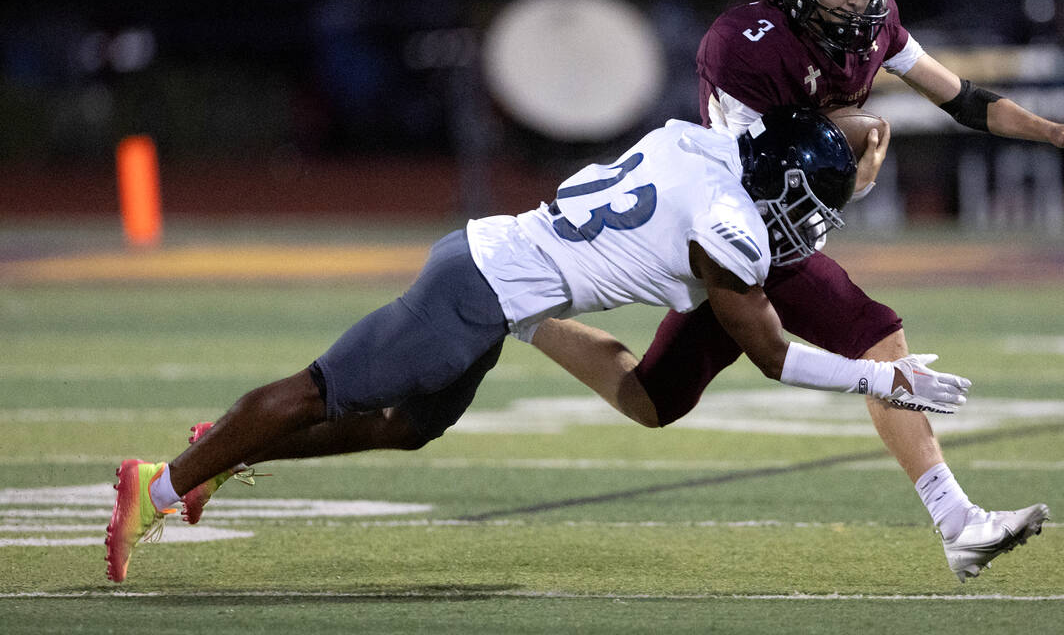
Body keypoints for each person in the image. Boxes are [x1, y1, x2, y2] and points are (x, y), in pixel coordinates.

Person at [104, 107, 973, 584]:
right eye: (808, 205)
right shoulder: (728, 230)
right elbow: (776, 353)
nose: (811, 229)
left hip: (497, 270)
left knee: (410, 425)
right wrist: (882, 379)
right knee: (319, 389)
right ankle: (163, 485)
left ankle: (214, 461)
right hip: (478, 284)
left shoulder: (698, 147)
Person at [540, 0, 1064, 581]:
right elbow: (768, 173)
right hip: (730, 238)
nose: (858, 4)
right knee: (694, 387)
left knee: (661, 397)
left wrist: (1053, 132)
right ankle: (528, 319)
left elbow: (959, 96)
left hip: (783, 236)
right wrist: (859, 141)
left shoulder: (878, 26)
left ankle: (959, 523)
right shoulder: (744, 44)